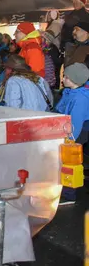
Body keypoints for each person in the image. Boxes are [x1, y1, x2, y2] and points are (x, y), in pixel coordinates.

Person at [55, 63, 89, 205]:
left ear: (75, 80)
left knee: (71, 161)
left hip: (75, 133)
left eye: (66, 77)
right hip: (69, 129)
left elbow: (76, 121)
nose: (62, 80)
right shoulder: (70, 92)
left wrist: (70, 139)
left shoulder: (80, 98)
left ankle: (69, 194)